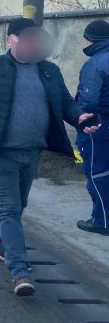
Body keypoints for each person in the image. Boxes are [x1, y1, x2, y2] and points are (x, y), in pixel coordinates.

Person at [0, 18, 99, 297]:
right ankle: (19, 270)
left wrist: (79, 118)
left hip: (33, 150)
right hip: (0, 152)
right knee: (10, 208)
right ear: (11, 39)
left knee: (19, 203)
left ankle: (1, 245)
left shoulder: (48, 70)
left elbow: (65, 103)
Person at [75, 19, 109, 236]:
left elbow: (87, 102)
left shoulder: (95, 64)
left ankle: (101, 221)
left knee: (98, 174)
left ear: (91, 39)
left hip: (99, 128)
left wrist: (82, 123)